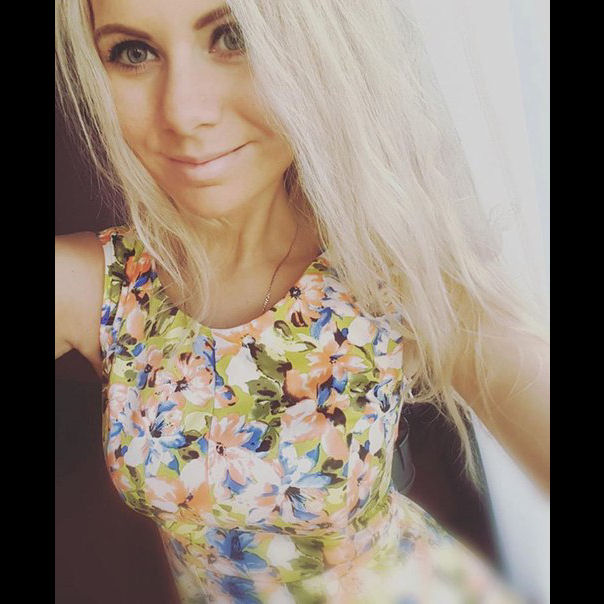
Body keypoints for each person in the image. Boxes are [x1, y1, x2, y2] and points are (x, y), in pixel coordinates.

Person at [55, 1, 549, 602]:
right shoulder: (102, 286)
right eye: (133, 52)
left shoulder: (390, 271)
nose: (183, 113)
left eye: (232, 36)